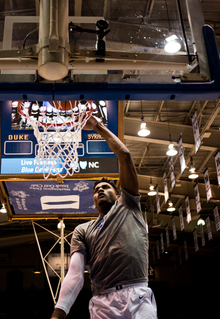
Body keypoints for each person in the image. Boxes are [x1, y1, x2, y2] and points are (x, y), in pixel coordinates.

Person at [50, 115, 158, 319]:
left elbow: (124, 155)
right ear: (93, 200)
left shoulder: (128, 206)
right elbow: (75, 274)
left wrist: (98, 127)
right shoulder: (83, 230)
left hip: (138, 295)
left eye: (106, 187)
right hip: (103, 301)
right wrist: (58, 313)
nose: (99, 190)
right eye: (96, 189)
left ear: (118, 195)